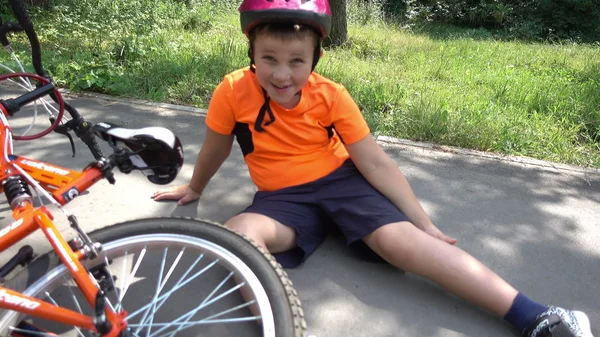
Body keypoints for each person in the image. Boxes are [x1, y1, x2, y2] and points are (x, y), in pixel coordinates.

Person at [151, 0, 594, 336]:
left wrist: (424, 222)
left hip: (344, 184)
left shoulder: (332, 95)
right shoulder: (232, 91)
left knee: (403, 244)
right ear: (252, 50)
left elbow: (375, 163)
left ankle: (539, 316)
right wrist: (195, 186)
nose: (282, 74)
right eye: (269, 58)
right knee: (238, 234)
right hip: (281, 200)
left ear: (315, 58)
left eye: (296, 62)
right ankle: (275, 326)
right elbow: (215, 147)